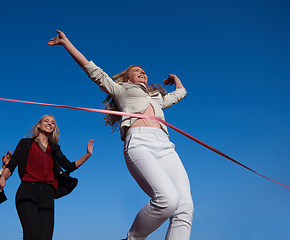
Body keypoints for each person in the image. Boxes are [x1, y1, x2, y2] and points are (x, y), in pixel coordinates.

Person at [48, 30, 194, 240]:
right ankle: (132, 238)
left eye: (144, 70)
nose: (142, 72)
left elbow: (181, 93)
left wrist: (177, 79)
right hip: (140, 143)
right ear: (128, 77)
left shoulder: (157, 98)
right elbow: (92, 70)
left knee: (185, 207)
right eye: (137, 70)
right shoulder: (120, 90)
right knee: (167, 200)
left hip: (165, 146)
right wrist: (66, 43)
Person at [0, 114, 94, 240]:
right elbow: (12, 165)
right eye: (46, 121)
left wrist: (87, 155)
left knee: (45, 236)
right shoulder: (25, 143)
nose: (50, 123)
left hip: (47, 194)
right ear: (39, 125)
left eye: (53, 123)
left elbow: (69, 166)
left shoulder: (55, 148)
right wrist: (2, 178)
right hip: (27, 190)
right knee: (32, 232)